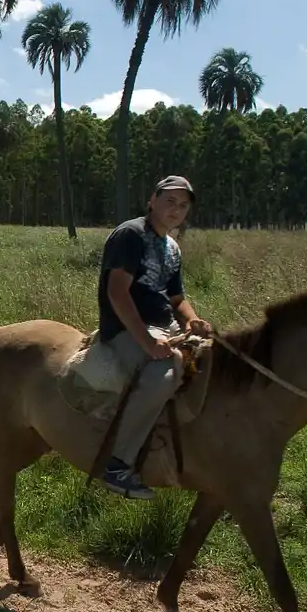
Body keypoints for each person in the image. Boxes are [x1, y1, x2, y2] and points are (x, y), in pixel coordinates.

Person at [94, 174, 211, 499]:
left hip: (167, 329)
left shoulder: (171, 247)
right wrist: (147, 342)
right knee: (164, 377)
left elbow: (176, 299)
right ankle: (117, 464)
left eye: (183, 205)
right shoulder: (130, 234)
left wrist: (192, 320)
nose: (176, 209)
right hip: (125, 330)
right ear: (152, 201)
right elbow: (117, 293)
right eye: (170, 201)